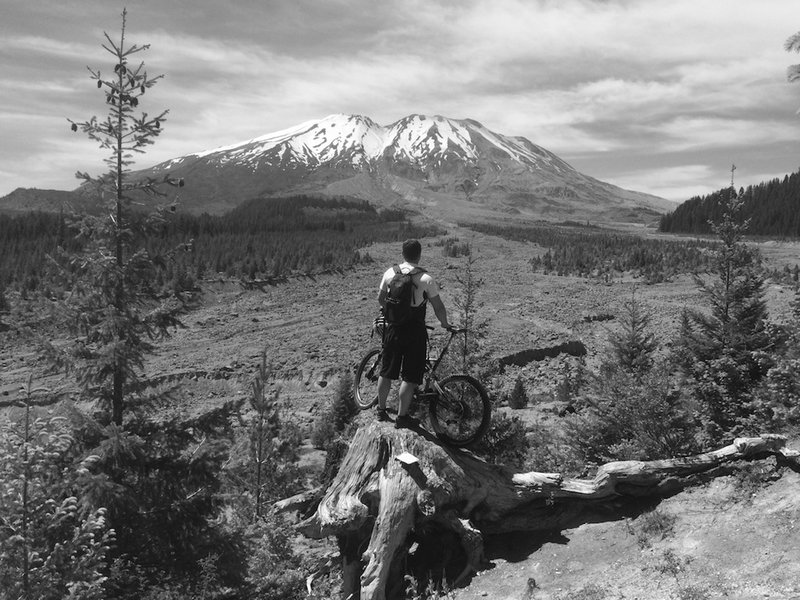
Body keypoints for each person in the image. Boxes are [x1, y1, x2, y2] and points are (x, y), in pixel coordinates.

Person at [376, 239, 451, 429]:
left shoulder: (390, 273)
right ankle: (402, 417)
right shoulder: (426, 278)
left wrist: (392, 315)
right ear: (419, 255)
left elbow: (381, 298)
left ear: (403, 253)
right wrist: (445, 324)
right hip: (415, 332)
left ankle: (381, 411)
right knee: (409, 378)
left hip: (393, 329)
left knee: (386, 372)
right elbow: (438, 307)